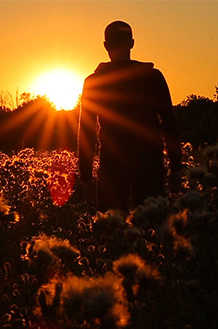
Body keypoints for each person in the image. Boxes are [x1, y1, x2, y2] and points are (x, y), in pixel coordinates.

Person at [77, 20, 183, 212]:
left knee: (111, 229)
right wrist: (176, 167)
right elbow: (169, 123)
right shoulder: (153, 77)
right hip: (149, 165)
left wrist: (85, 177)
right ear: (132, 43)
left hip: (112, 167)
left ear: (106, 46)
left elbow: (87, 131)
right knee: (152, 227)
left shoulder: (93, 82)